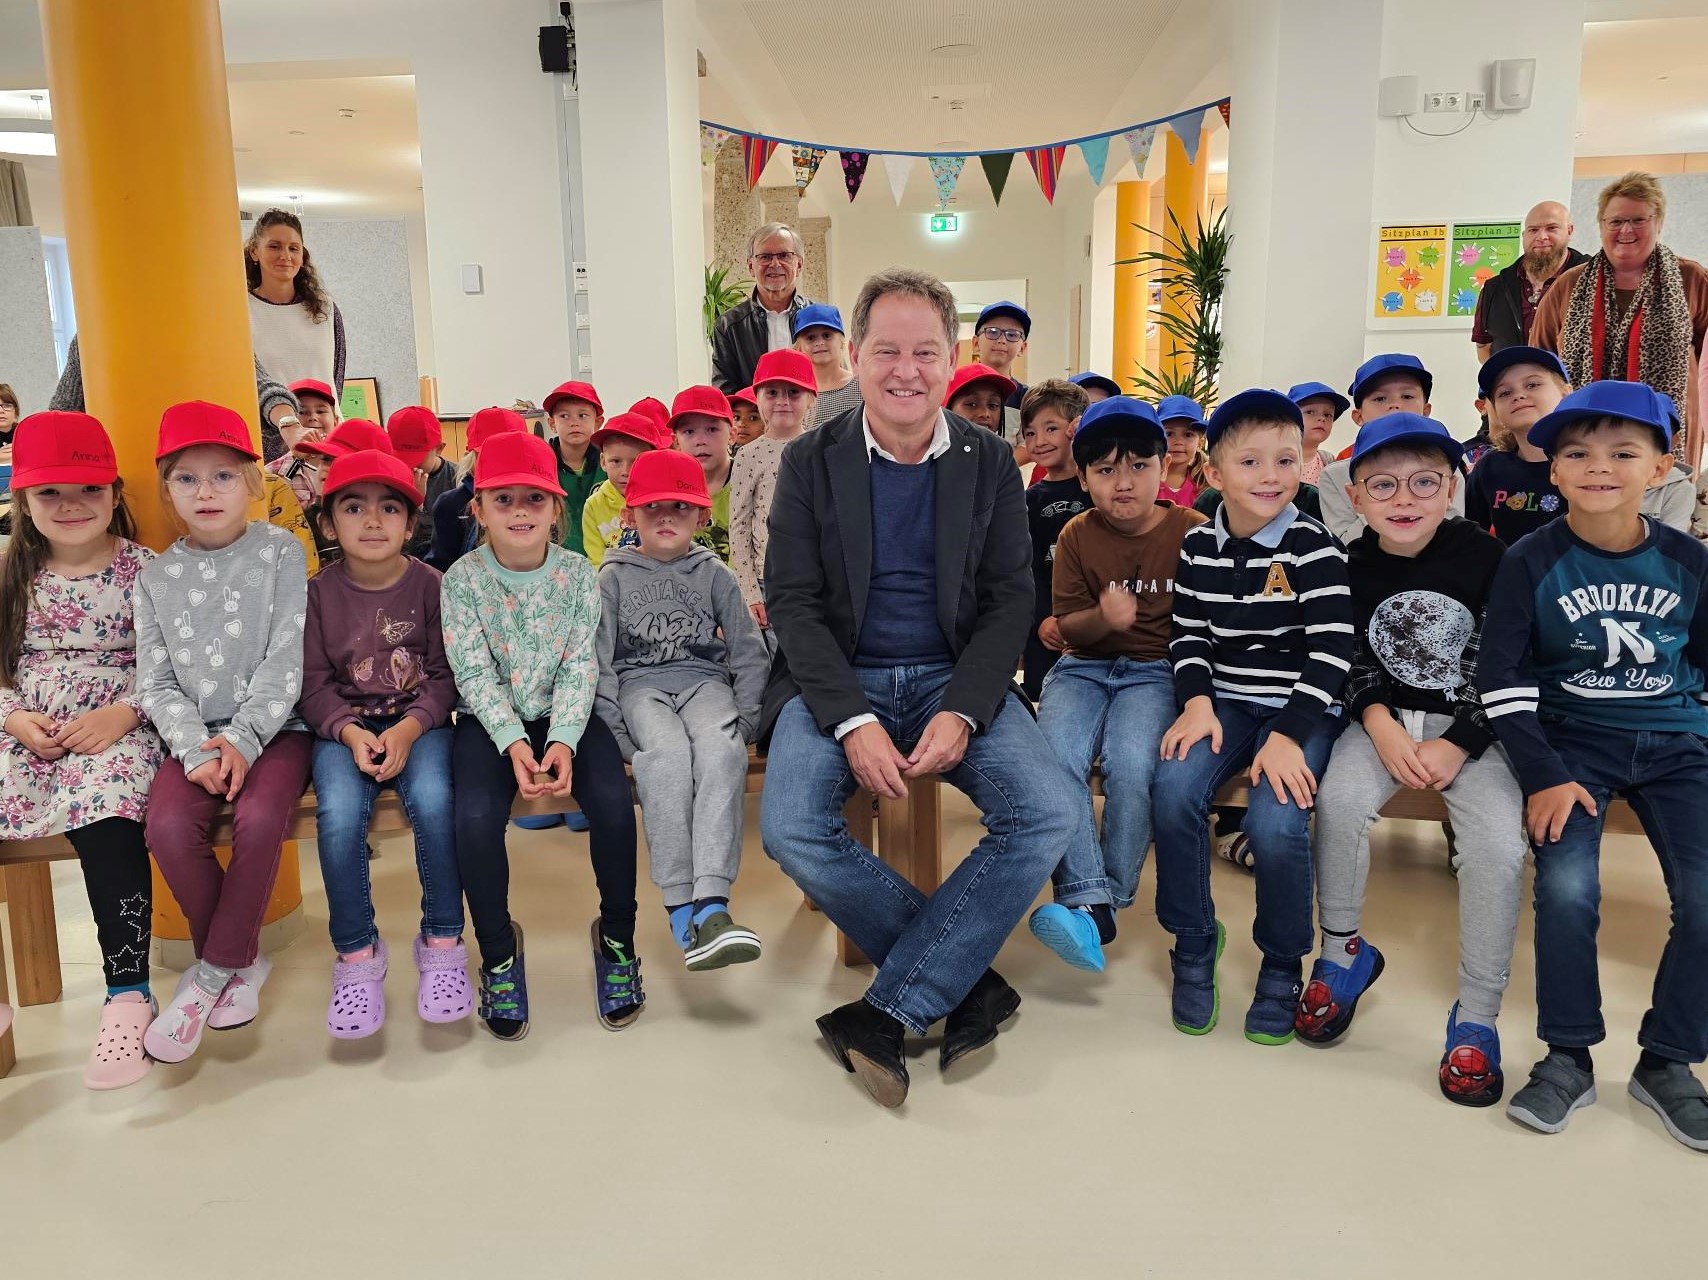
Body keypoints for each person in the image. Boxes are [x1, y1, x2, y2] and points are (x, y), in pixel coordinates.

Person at [758, 266, 1074, 1109]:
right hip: (837, 677)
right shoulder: (810, 460)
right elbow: (791, 601)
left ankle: (893, 1006)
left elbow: (1012, 600)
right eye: (887, 350)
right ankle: (963, 984)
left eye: (925, 351)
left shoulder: (990, 463)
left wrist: (966, 707)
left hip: (952, 673)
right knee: (789, 827)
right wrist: (852, 717)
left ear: (953, 358)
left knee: (1047, 810)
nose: (906, 369)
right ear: (854, 357)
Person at [1477, 381, 1708, 1151]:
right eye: (1576, 452)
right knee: (1569, 889)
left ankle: (1668, 1061)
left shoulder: (1689, 561)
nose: (1598, 466)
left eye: (1623, 452)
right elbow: (1500, 679)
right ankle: (1568, 1054)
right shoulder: (1527, 560)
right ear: (1553, 470)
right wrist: (1541, 770)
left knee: (1707, 899)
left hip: (1676, 745)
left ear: (1663, 466)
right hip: (1570, 742)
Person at [1299, 412, 1524, 1109]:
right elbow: (1347, 654)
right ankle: (1342, 954)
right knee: (1336, 803)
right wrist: (1380, 723)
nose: (1405, 499)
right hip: (1382, 721)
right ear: (1356, 494)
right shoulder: (1345, 561)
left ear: (1453, 485)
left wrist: (1459, 741)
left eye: (1425, 482)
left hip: (1473, 730)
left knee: (1496, 847)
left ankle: (1478, 1013)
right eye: (1385, 484)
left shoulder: (1489, 558)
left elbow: (1506, 659)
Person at [1151, 389, 1352, 1045]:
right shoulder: (1198, 548)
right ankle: (1193, 937)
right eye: (1251, 462)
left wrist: (1291, 736)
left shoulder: (1311, 547)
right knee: (1175, 786)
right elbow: (1189, 639)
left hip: (1304, 709)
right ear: (1213, 473)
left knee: (1274, 821)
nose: (1271, 476)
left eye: (1285, 460)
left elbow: (1332, 652)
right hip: (1229, 701)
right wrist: (1198, 702)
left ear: (1303, 466)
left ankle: (1280, 961)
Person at [442, 430, 643, 1038]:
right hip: (488, 723)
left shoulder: (581, 576)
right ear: (477, 510)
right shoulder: (461, 580)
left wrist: (560, 740)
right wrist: (512, 742)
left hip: (569, 719)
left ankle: (616, 939)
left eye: (535, 498)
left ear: (558, 508)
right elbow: (471, 671)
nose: (520, 511)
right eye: (504, 500)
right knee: (473, 820)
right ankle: (500, 953)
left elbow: (583, 664)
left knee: (612, 806)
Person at [136, 401, 312, 1065]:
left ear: (252, 482)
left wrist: (241, 740)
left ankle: (211, 972)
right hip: (191, 739)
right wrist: (194, 749)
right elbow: (155, 684)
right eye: (187, 478)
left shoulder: (280, 553)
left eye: (222, 477)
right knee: (166, 826)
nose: (206, 492)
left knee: (263, 817)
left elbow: (286, 658)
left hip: (275, 730)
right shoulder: (153, 576)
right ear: (167, 489)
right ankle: (241, 959)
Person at [0, 411, 163, 1089]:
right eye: (50, 493)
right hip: (29, 725)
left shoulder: (146, 571)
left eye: (88, 490)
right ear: (24, 500)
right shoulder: (11, 571)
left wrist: (125, 712)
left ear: (116, 493)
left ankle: (128, 991)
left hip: (119, 724)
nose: (70, 506)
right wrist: (13, 719)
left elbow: (173, 665)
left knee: (109, 814)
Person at [1025, 397, 1205, 971]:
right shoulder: (1077, 534)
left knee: (1133, 765)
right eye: (1104, 470)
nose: (1122, 483)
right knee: (1056, 760)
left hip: (1155, 671)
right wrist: (1104, 617)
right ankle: (1089, 900)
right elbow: (1063, 625)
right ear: (1082, 478)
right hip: (1081, 667)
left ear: (1163, 468)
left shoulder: (1193, 530)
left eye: (1138, 466)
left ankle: (1109, 897)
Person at [301, 448, 468, 1039]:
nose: (372, 522)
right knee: (340, 816)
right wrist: (349, 733)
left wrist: (408, 728)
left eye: (388, 509)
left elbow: (448, 675)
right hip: (342, 730)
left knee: (434, 801)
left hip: (418, 725)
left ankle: (444, 940)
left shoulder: (433, 586)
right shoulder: (318, 595)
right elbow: (313, 685)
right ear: (328, 522)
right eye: (354, 507)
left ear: (410, 521)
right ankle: (356, 955)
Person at [594, 449, 770, 968]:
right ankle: (679, 907)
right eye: (652, 508)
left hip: (703, 683)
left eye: (680, 506)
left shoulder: (714, 573)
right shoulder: (613, 577)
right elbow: (598, 660)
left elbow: (747, 648)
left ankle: (713, 903)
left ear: (702, 514)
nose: (666, 517)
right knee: (666, 757)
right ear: (629, 516)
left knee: (720, 752)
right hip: (640, 687)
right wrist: (621, 737)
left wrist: (749, 717)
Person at [1532, 172, 1708, 468]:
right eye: (1615, 221)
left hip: (1665, 433)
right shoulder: (1568, 285)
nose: (1626, 230)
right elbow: (1540, 362)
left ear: (1659, 223)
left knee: (1663, 509)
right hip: (1584, 433)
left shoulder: (1691, 279)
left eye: (1639, 220)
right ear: (1602, 226)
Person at [1470, 346, 1693, 541]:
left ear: (1566, 393)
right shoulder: (1489, 468)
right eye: (1505, 392)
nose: (1518, 395)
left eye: (1532, 385)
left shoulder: (1599, 473)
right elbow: (1473, 531)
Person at [50, 334, 305, 464]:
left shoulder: (213, 324)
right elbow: (64, 415)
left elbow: (260, 385)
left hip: (210, 468)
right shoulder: (95, 333)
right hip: (123, 478)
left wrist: (289, 423)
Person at [1316, 355, 1466, 543]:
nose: (1395, 405)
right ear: (1358, 416)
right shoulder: (1335, 475)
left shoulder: (1445, 466)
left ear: (1426, 410)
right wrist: (1373, 495)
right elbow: (1345, 541)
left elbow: (1452, 527)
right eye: (1379, 398)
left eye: (1407, 396)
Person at [729, 349, 817, 639]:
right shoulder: (747, 455)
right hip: (767, 582)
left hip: (816, 582)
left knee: (812, 660)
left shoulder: (824, 449)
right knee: (771, 664)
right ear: (758, 398)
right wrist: (750, 591)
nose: (782, 401)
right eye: (772, 392)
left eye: (794, 392)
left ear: (811, 401)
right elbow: (739, 526)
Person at [1017, 378, 1090, 702]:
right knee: (1043, 699)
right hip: (1046, 626)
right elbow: (1025, 569)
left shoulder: (1097, 487)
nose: (1039, 440)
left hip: (1094, 623)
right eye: (1030, 432)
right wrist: (1043, 618)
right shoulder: (1028, 500)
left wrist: (1089, 437)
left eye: (1051, 428)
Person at [245, 208, 347, 393]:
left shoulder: (326, 309)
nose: (285, 256)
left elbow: (336, 377)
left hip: (322, 420)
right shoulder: (242, 310)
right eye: (274, 246)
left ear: (302, 256)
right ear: (254, 251)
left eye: (293, 248)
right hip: (267, 420)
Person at [1473, 200, 1588, 361]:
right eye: (1533, 230)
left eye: (1551, 228)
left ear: (1569, 231)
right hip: (1509, 383)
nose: (1541, 237)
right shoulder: (1495, 287)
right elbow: (1484, 346)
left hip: (1572, 385)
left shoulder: (1591, 281)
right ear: (1524, 235)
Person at [711, 223, 814, 393]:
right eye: (765, 257)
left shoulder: (817, 318)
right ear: (751, 266)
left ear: (800, 265)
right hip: (754, 418)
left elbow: (835, 378)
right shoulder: (729, 326)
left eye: (784, 255)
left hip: (816, 418)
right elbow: (726, 393)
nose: (774, 264)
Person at [428, 406, 526, 572]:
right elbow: (441, 567)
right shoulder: (450, 504)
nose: (500, 462)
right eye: (490, 454)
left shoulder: (537, 501)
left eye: (509, 453)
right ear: (470, 453)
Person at [581, 409, 670, 569]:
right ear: (603, 461)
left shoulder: (667, 500)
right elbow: (595, 560)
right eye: (615, 461)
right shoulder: (593, 506)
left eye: (635, 461)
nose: (625, 471)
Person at [667, 386, 734, 561]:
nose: (701, 441)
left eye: (712, 429)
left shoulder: (748, 481)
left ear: (732, 435)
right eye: (689, 432)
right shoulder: (667, 491)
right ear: (676, 442)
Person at [542, 380, 606, 556]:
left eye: (582, 415)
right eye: (564, 416)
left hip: (603, 557)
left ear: (598, 422)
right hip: (556, 558)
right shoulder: (542, 465)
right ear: (552, 423)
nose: (574, 423)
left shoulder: (609, 464)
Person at [386, 405, 455, 561]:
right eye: (400, 458)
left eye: (416, 459)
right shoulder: (389, 479)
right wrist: (414, 506)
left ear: (439, 449)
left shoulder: (457, 482)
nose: (409, 466)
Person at [267, 378, 341, 513]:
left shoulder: (349, 464)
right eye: (302, 412)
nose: (312, 417)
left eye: (321, 411)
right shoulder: (272, 473)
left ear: (335, 421)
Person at [971, 301, 1031, 441]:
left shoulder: (1026, 398)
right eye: (992, 332)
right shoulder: (956, 387)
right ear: (975, 343)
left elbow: (1027, 444)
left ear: (1022, 348)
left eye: (1012, 335)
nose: (1002, 340)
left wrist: (1001, 463)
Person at [795, 303, 862, 428]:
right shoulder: (796, 395)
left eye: (827, 335)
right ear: (799, 348)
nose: (819, 342)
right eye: (810, 338)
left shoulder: (862, 386)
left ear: (841, 342)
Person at [1288, 381, 1349, 485]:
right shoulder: (1277, 460)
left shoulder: (1328, 461)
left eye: (1328, 415)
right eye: (1310, 412)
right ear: (1288, 418)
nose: (1322, 419)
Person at [1155, 395, 1208, 507]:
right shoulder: (1145, 483)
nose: (1178, 441)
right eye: (1169, 434)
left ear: (1200, 443)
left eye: (1188, 435)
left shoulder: (1206, 488)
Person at [944, 362, 1015, 436]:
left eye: (993, 405)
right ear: (948, 408)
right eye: (972, 404)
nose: (985, 414)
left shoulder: (1002, 447)